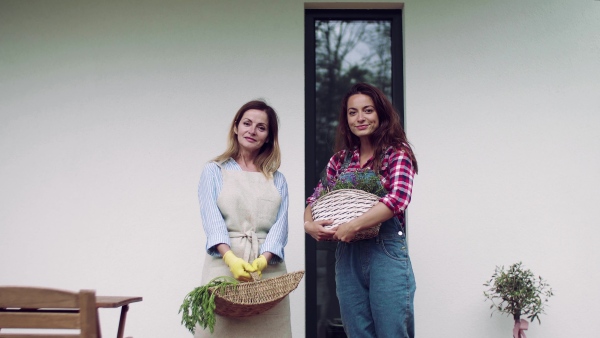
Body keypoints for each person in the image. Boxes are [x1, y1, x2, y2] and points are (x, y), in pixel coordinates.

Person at [304, 83, 418, 338]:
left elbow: (397, 199)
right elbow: (315, 199)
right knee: (357, 332)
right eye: (352, 112)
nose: (360, 118)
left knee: (392, 331)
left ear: (381, 113)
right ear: (346, 119)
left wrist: (353, 225)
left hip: (385, 251)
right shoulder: (340, 160)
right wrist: (308, 225)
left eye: (367, 110)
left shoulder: (396, 153)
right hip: (348, 254)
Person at [196, 100, 291, 337]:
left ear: (269, 136)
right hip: (224, 265)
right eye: (247, 123)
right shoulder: (214, 170)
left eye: (261, 127)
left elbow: (281, 225)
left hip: (268, 270)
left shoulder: (277, 179)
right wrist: (230, 258)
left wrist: (263, 260)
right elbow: (212, 218)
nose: (252, 131)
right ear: (236, 127)